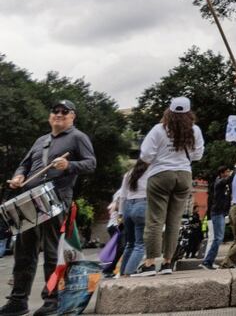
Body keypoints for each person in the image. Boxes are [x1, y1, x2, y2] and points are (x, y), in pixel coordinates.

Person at [1, 99, 96, 316]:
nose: (59, 114)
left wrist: (69, 165)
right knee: (23, 254)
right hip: (29, 200)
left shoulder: (78, 137)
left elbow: (91, 163)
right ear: (50, 116)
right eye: (55, 111)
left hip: (55, 200)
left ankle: (53, 301)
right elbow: (25, 163)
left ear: (73, 116)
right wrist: (19, 176)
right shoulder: (41, 140)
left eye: (65, 111)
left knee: (52, 253)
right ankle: (18, 301)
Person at [133, 96, 204, 277]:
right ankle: (167, 263)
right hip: (184, 175)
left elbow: (146, 154)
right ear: (189, 113)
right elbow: (197, 155)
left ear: (169, 111)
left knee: (155, 220)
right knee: (174, 220)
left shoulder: (159, 129)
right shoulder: (194, 130)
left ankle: (149, 264)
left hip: (160, 175)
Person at [117, 160, 150, 276]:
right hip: (142, 205)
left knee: (130, 243)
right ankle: (128, 273)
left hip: (127, 206)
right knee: (140, 244)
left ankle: (122, 273)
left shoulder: (129, 173)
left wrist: (120, 213)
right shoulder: (151, 172)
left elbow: (122, 195)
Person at [201, 165, 233, 270]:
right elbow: (228, 179)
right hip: (217, 213)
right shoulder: (219, 182)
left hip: (221, 213)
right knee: (217, 238)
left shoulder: (223, 183)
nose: (229, 173)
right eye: (227, 171)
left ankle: (209, 261)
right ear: (222, 173)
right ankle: (207, 261)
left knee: (218, 238)